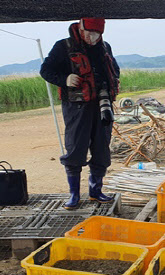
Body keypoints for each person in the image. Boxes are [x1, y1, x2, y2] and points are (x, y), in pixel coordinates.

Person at [40, 18, 120, 210]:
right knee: (76, 148)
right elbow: (46, 70)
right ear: (81, 27)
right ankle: (74, 195)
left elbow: (114, 70)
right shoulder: (63, 46)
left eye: (97, 34)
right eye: (89, 33)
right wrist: (65, 78)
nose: (92, 38)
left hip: (102, 105)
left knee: (102, 149)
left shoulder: (105, 46)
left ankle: (96, 191)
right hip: (76, 107)